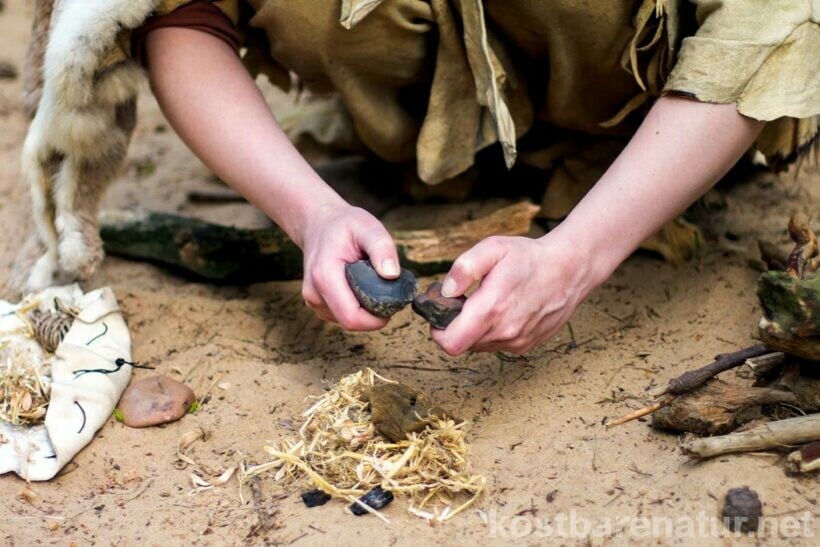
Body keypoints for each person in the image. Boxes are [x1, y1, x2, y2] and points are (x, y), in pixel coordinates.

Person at [22, 0, 820, 356]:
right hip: (421, 131)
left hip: (644, 120)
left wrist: (575, 256)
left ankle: (629, 178)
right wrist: (313, 215)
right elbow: (176, 12)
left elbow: (784, 20)